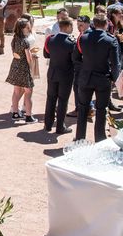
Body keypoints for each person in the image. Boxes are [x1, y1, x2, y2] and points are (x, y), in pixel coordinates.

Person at [73, 14, 121, 142]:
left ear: (94, 24)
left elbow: (75, 58)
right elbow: (115, 64)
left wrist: (84, 68)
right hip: (103, 78)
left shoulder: (83, 38)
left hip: (86, 77)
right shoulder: (111, 40)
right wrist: (113, 78)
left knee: (83, 108)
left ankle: (80, 138)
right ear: (106, 25)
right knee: (101, 110)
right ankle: (99, 139)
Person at [43, 19, 75, 135]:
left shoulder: (50, 39)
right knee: (62, 100)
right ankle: (60, 126)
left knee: (51, 98)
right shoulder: (71, 42)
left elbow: (46, 54)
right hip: (65, 75)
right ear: (68, 27)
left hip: (52, 72)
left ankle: (48, 124)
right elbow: (75, 60)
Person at [5, 18, 37, 123]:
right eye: (27, 27)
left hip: (15, 65)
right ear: (23, 28)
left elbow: (15, 53)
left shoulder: (15, 39)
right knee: (28, 93)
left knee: (16, 91)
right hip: (24, 67)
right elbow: (29, 58)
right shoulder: (25, 41)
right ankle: (28, 116)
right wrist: (32, 69)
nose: (29, 28)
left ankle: (15, 112)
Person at [67, 15, 92, 118]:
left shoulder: (85, 36)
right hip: (87, 67)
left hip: (81, 67)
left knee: (78, 88)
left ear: (87, 24)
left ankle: (80, 109)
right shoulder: (86, 34)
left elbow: (78, 55)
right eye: (77, 25)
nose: (78, 27)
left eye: (81, 25)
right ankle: (89, 108)